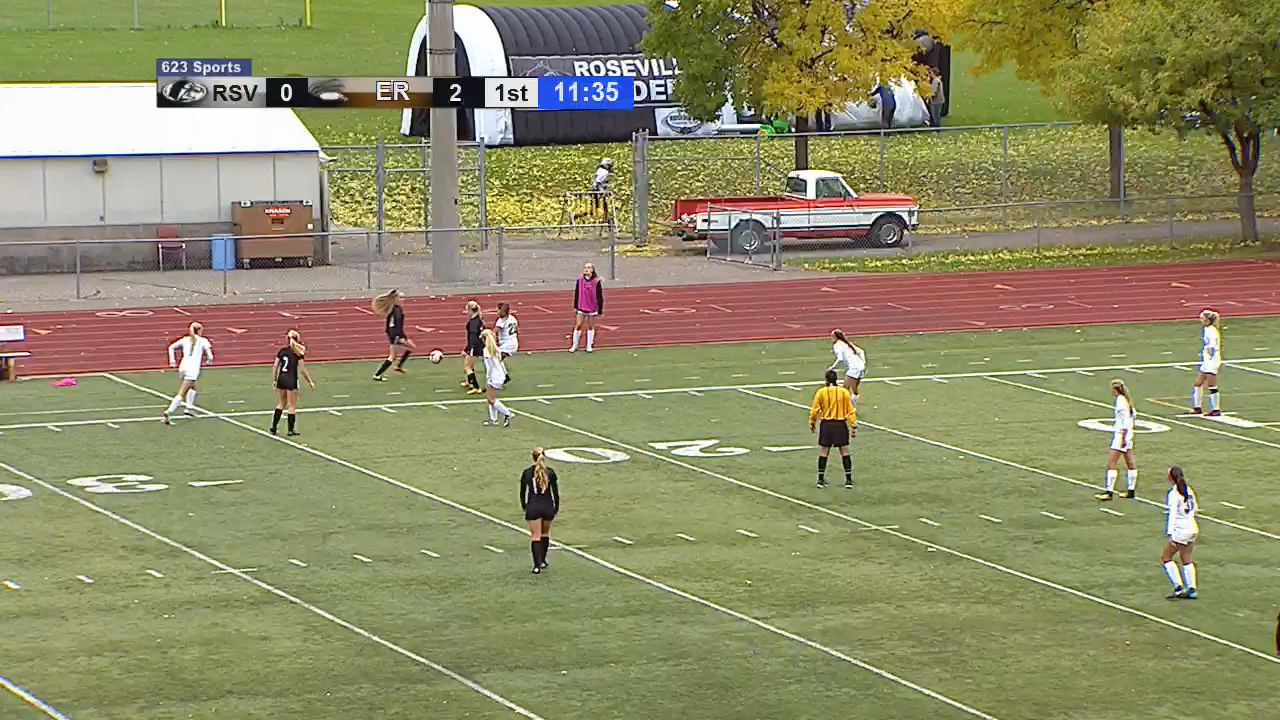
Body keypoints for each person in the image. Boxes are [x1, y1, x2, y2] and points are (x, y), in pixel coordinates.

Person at [808, 369, 856, 488]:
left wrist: (812, 422)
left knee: (824, 451)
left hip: (826, 424)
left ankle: (820, 479)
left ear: (826, 379)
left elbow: (814, 410)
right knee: (844, 451)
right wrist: (853, 425)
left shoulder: (821, 392)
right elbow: (850, 410)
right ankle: (848, 480)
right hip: (840, 424)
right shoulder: (843, 392)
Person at [163, 322, 214, 425]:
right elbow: (210, 356)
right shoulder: (203, 341)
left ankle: (189, 409)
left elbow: (171, 347)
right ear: (199, 330)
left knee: (193, 386)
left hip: (183, 367)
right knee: (182, 392)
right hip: (192, 370)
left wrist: (172, 361)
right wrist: (209, 361)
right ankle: (168, 412)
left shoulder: (185, 339)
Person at [1095, 379, 1138, 501]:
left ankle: (1109, 492)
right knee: (1130, 462)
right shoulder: (1127, 401)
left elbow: (1124, 419)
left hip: (1121, 434)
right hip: (1128, 433)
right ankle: (1131, 490)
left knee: (1111, 462)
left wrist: (1123, 436)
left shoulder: (1120, 400)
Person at [1160, 466, 1199, 599]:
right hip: (1192, 527)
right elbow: (1195, 508)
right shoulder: (1189, 490)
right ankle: (1192, 588)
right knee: (1186, 557)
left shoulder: (1174, 493)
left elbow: (1172, 515)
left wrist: (1170, 533)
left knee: (1166, 556)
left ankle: (1178, 586)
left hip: (1181, 530)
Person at [520, 447, 560, 574]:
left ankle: (536, 566)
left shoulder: (527, 473)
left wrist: (524, 506)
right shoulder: (550, 473)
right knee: (544, 534)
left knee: (535, 536)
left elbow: (522, 493)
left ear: (533, 458)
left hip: (533, 507)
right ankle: (543, 560)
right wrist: (555, 508)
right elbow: (555, 493)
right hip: (547, 506)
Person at [270, 329, 314, 436]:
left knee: (281, 403)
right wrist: (310, 381)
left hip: (281, 378)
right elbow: (302, 369)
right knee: (291, 405)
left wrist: (274, 380)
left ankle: (274, 427)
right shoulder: (297, 353)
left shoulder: (282, 351)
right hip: (291, 379)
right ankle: (290, 429)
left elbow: (275, 366)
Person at [372, 289, 415, 381]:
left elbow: (390, 326)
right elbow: (395, 326)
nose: (402, 299)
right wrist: (398, 338)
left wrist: (402, 336)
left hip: (397, 335)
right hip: (395, 336)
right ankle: (377, 375)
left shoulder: (395, 309)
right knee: (392, 357)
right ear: (395, 299)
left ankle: (399, 366)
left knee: (411, 347)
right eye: (400, 297)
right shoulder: (396, 310)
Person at [1192, 309, 1223, 416]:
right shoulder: (1207, 329)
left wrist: (1208, 354)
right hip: (1206, 360)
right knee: (1198, 383)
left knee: (1211, 384)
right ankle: (1197, 407)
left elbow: (1212, 345)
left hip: (1212, 360)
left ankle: (1216, 409)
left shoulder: (1212, 331)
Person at [481, 329, 514, 427]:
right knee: (492, 398)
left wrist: (488, 379)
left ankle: (507, 414)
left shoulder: (487, 350)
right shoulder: (497, 349)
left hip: (494, 376)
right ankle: (493, 420)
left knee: (490, 398)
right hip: (500, 375)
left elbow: (489, 367)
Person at [569, 262, 604, 353]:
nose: (586, 269)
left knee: (590, 326)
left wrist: (600, 309)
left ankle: (589, 345)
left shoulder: (596, 281)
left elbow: (599, 296)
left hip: (592, 307)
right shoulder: (580, 280)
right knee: (579, 325)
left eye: (588, 268)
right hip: (581, 306)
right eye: (585, 267)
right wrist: (576, 305)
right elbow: (577, 293)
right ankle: (574, 345)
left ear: (592, 270)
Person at [827, 329, 866, 404]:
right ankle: (851, 405)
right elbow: (861, 351)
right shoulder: (847, 343)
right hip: (861, 367)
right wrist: (863, 363)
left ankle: (847, 406)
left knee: (845, 388)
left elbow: (840, 358)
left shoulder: (838, 345)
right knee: (855, 390)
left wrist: (832, 367)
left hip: (854, 368)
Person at [462, 300, 485, 394]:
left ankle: (476, 387)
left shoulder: (473, 323)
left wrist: (467, 349)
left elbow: (473, 338)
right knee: (469, 365)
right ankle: (469, 381)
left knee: (467, 367)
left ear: (471, 310)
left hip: (474, 347)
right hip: (477, 346)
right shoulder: (478, 320)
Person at [494, 302, 519, 384]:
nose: (497, 312)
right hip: (513, 342)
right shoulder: (513, 318)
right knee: (497, 360)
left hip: (507, 345)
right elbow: (517, 330)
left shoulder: (501, 321)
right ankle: (505, 376)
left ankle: (500, 378)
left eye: (498, 310)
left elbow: (495, 332)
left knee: (495, 360)